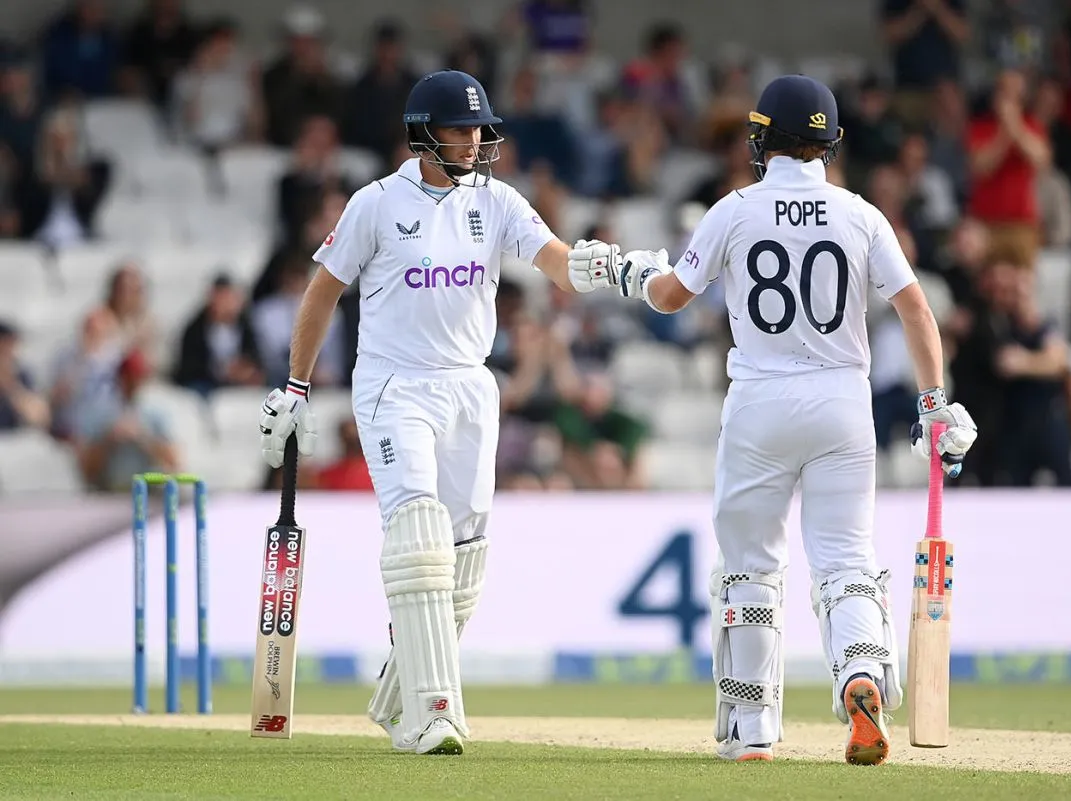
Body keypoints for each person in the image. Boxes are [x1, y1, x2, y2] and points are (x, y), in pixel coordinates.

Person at [256, 69, 622, 755]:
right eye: (460, 129)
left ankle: (397, 694)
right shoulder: (374, 203)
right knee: (419, 532)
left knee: (464, 560)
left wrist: (616, 270)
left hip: (470, 387)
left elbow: (559, 263)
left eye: (480, 129)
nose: (476, 141)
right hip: (396, 385)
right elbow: (320, 292)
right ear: (424, 134)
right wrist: (296, 387)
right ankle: (434, 711)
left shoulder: (498, 201)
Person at [613, 75, 978, 764]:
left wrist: (632, 274)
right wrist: (933, 406)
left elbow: (668, 296)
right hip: (843, 403)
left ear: (761, 139)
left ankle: (751, 728)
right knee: (846, 563)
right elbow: (918, 312)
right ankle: (860, 674)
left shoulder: (735, 209)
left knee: (750, 567)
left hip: (760, 402)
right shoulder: (862, 214)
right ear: (829, 144)